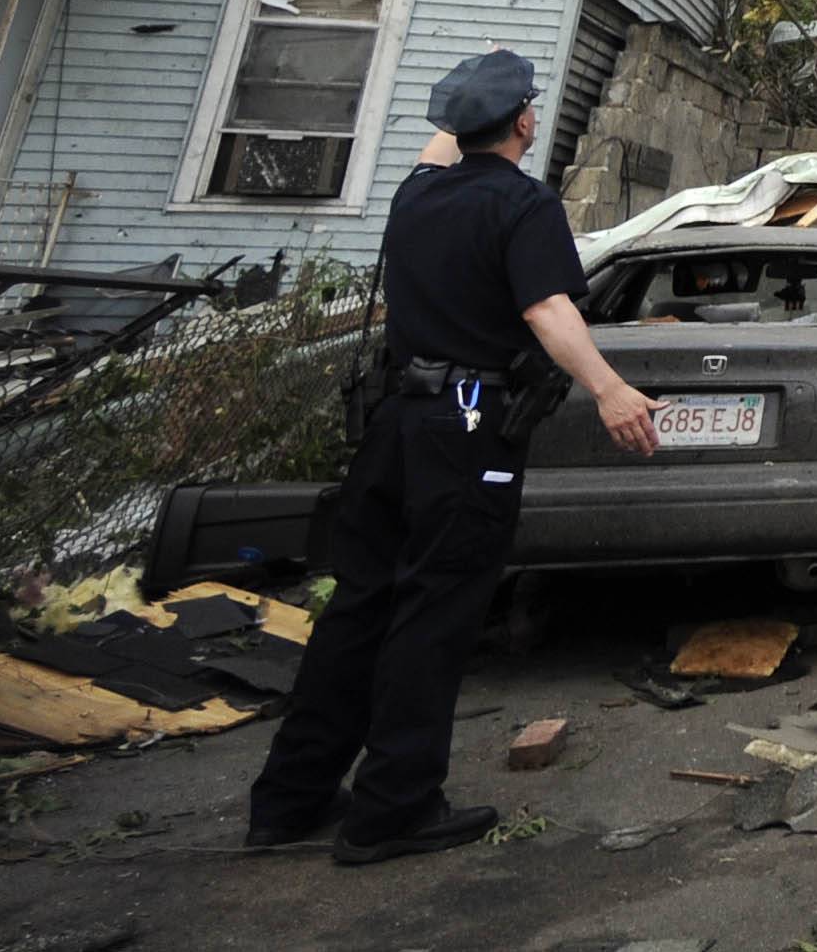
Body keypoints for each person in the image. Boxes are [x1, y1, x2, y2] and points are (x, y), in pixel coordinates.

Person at [245, 49, 661, 865]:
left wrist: (464, 108)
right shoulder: (523, 205)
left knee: (359, 606)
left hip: (393, 427)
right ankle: (392, 810)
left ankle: (288, 802)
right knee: (434, 616)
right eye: (530, 110)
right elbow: (545, 309)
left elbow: (442, 146)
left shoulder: (416, 197)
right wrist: (609, 390)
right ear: (525, 122)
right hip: (466, 433)